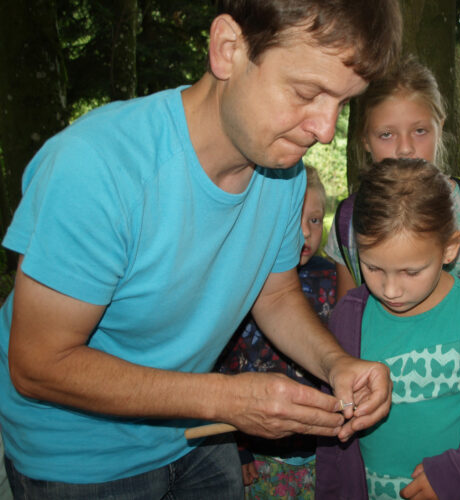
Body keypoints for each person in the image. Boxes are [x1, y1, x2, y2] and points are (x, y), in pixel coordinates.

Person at [0, 1, 401, 497]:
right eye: (306, 93)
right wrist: (226, 400)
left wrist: (335, 363)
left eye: (343, 104)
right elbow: (38, 365)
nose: (324, 130)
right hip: (80, 460)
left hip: (198, 433)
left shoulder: (284, 175)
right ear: (228, 49)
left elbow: (274, 294)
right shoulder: (96, 167)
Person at [315, 158, 460, 500]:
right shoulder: (347, 319)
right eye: (373, 267)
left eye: (411, 272)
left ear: (450, 249)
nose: (390, 290)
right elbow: (331, 430)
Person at [324, 56, 460, 301]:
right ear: (365, 140)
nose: (405, 148)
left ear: (439, 127)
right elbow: (350, 313)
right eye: (386, 134)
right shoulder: (350, 219)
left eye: (419, 131)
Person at [217, 165, 336, 499]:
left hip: (322, 450)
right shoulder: (247, 282)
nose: (306, 232)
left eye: (315, 220)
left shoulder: (333, 279)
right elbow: (225, 367)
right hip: (260, 453)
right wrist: (237, 448)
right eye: (293, 219)